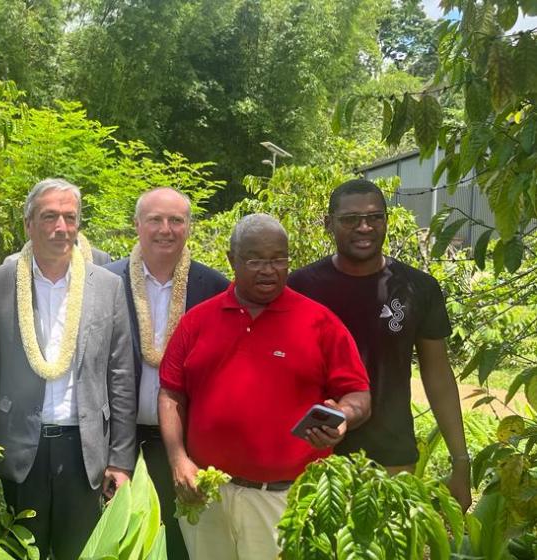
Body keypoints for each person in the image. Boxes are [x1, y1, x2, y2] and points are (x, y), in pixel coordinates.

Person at [158, 213, 371, 560]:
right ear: (232, 260)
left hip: (284, 500)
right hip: (208, 495)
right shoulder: (198, 320)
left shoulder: (320, 322)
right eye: (254, 260)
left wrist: (344, 416)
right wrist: (178, 459)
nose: (268, 270)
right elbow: (170, 393)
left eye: (278, 259)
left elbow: (358, 394)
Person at [0, 178, 136, 560]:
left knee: (81, 552)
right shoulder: (1, 282)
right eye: (50, 216)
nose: (61, 228)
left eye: (70, 217)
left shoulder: (105, 285)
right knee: (21, 551)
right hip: (20, 448)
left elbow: (120, 376)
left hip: (85, 450)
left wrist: (120, 459)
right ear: (28, 224)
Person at [288, 178, 472, 511]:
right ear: (329, 223)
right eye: (350, 219)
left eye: (375, 217)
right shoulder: (300, 287)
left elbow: (439, 376)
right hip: (313, 453)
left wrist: (461, 459)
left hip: (392, 455)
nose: (364, 227)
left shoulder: (418, 288)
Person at [104, 187, 228, 559]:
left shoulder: (214, 288)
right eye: (155, 219)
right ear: (137, 224)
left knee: (179, 544)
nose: (165, 229)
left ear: (189, 227)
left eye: (176, 220)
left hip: (186, 445)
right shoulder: (106, 282)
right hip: (116, 439)